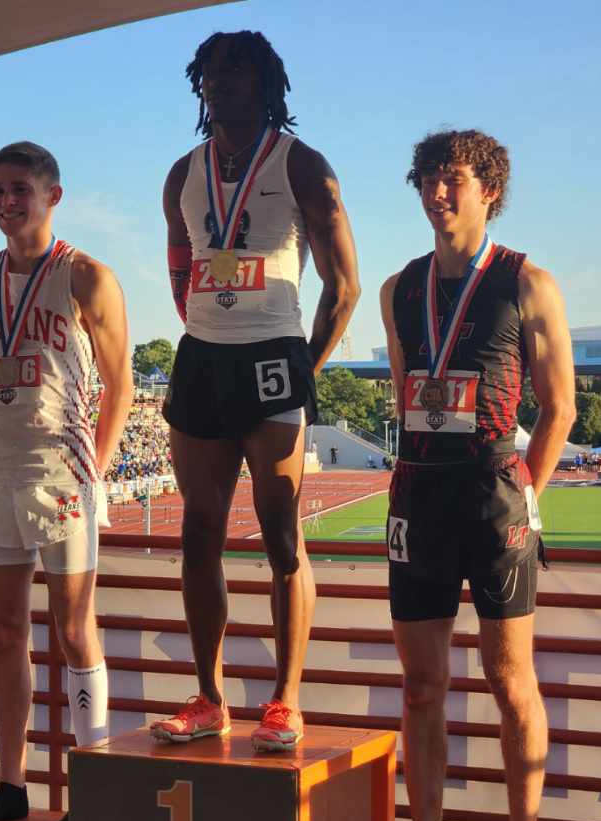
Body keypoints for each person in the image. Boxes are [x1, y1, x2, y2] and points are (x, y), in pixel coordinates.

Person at [370, 129, 575, 821]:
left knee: (507, 676)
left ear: (487, 188)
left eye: (451, 178)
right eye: (425, 178)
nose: (435, 192)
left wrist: (530, 489)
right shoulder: (399, 288)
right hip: (419, 491)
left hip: (494, 491)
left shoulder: (529, 282)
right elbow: (402, 395)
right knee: (421, 684)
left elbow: (560, 407)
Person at [152, 30, 359, 751]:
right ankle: (209, 696)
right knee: (198, 528)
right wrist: (213, 325)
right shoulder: (181, 170)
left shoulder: (302, 164)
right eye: (211, 72)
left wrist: (306, 365)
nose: (223, 83)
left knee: (280, 534)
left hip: (275, 355)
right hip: (203, 358)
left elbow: (344, 285)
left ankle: (284, 698)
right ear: (198, 84)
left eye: (239, 73)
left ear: (268, 84)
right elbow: (180, 274)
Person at [0, 141, 132, 821]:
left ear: (52, 195)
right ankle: (11, 783)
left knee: (72, 629)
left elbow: (120, 382)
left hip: (63, 473)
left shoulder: (87, 277)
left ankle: (93, 782)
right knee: (3, 634)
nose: (6, 202)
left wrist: (101, 466)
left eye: (19, 189)